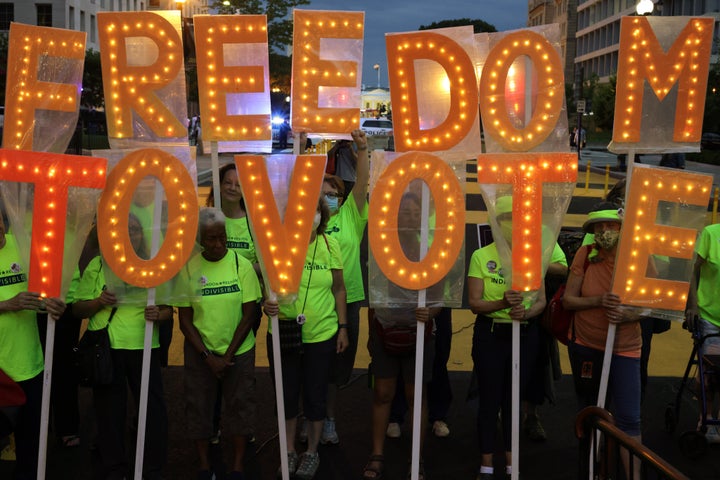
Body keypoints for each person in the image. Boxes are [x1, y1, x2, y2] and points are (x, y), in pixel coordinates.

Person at [72, 213, 170, 480]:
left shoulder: (154, 266)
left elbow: (167, 310)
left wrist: (158, 315)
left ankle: (151, 469)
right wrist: (99, 302)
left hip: (145, 345)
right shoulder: (98, 265)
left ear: (142, 235)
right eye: (125, 230)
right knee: (110, 414)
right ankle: (114, 469)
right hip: (109, 348)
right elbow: (78, 309)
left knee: (152, 412)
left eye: (136, 230)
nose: (131, 234)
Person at [263, 196, 348, 480]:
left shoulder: (329, 245)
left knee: (315, 396)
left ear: (321, 216)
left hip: (322, 334)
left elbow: (338, 289)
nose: (308, 217)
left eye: (314, 211)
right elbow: (268, 286)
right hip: (284, 330)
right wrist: (268, 304)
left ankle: (311, 452)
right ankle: (287, 452)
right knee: (286, 396)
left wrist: (343, 326)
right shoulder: (279, 246)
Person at [176, 208, 262, 480]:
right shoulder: (189, 268)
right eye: (211, 239)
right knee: (199, 407)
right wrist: (207, 356)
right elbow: (185, 320)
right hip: (202, 354)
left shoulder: (242, 265)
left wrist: (227, 356)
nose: (217, 244)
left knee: (240, 407)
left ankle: (237, 465)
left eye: (222, 237)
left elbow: (250, 314)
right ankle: (204, 465)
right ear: (200, 239)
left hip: (238, 352)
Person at [362, 192, 441, 480]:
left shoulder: (430, 251)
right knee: (382, 393)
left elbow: (439, 297)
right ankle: (377, 453)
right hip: (385, 332)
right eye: (404, 212)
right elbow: (374, 293)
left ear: (422, 218)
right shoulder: (382, 251)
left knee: (414, 396)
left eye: (414, 213)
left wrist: (430, 314)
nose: (408, 217)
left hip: (419, 334)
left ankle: (416, 458)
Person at [466, 195, 546, 480]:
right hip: (490, 336)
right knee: (489, 398)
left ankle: (513, 462)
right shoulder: (481, 256)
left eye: (517, 219)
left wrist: (526, 313)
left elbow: (541, 301)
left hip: (524, 337)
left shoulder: (533, 256)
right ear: (496, 224)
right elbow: (475, 303)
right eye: (505, 219)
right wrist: (502, 304)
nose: (512, 225)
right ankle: (486, 462)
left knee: (515, 399)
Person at [562, 203, 644, 476]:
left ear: (623, 230)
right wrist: (598, 301)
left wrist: (628, 314)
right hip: (586, 346)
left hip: (626, 348)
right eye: (599, 227)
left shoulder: (635, 257)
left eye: (611, 226)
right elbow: (568, 301)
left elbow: (654, 303)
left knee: (629, 418)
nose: (605, 231)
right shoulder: (585, 255)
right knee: (591, 414)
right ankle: (589, 470)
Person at [0, 216, 66, 480]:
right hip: (1, 369)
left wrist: (54, 305)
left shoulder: (25, 245)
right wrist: (7, 304)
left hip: (30, 363)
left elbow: (45, 293)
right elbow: (14, 302)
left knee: (31, 443)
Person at [320, 129, 369, 446]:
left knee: (338, 368)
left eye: (333, 193)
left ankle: (328, 419)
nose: (329, 198)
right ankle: (309, 416)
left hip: (348, 300)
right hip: (315, 300)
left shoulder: (352, 214)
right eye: (322, 194)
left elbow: (363, 182)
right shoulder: (311, 219)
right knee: (311, 363)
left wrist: (362, 150)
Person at [687, 222, 720, 442]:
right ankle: (706, 417)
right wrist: (693, 305)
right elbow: (692, 268)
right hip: (710, 317)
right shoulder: (711, 234)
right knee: (709, 373)